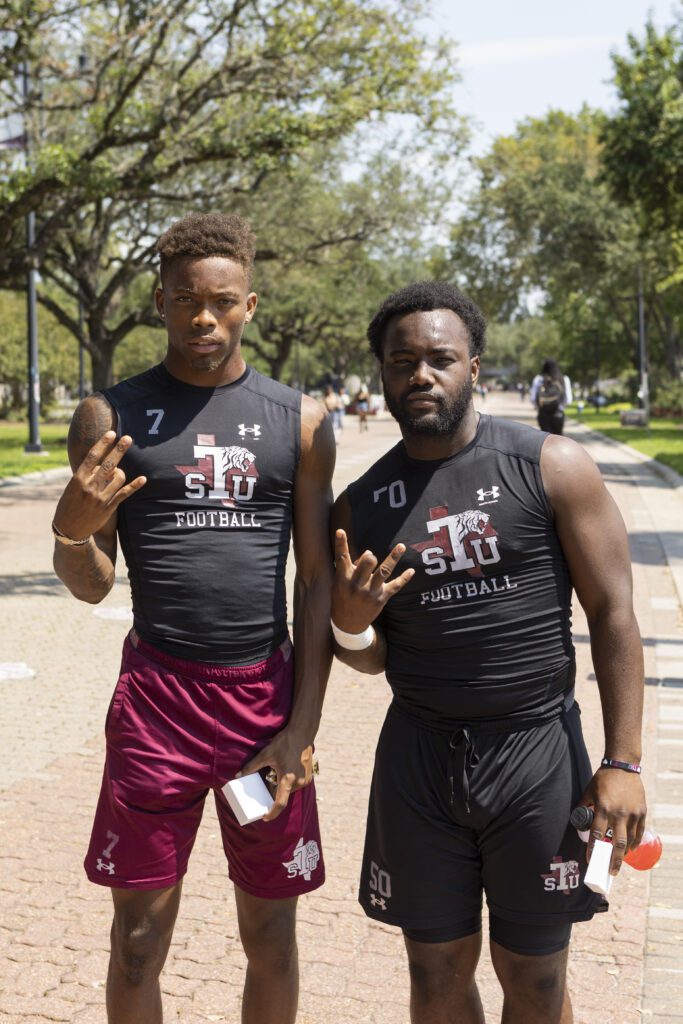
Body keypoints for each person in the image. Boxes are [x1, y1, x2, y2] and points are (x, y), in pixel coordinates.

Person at [330, 281, 646, 1024]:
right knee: (434, 976)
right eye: (401, 360)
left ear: (473, 367)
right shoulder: (362, 506)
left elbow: (613, 613)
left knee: (534, 981)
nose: (420, 374)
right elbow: (368, 656)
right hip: (419, 758)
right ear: (380, 371)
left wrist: (623, 762)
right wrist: (350, 623)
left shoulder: (552, 466)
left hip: (535, 752)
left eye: (440, 358)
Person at [52, 212, 335, 1024]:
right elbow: (92, 583)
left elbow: (314, 586)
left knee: (271, 934)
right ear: (158, 302)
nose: (201, 318)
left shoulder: (302, 422)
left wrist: (301, 728)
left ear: (250, 303)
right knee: (137, 939)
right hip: (157, 706)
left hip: (262, 708)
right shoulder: (109, 417)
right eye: (184, 301)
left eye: (219, 302)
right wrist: (72, 528)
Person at [530, 359, 573, 435]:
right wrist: (560, 407)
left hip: (543, 415)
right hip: (558, 414)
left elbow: (533, 398)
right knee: (558, 440)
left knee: (546, 441)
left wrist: (540, 408)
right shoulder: (564, 379)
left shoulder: (539, 379)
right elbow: (569, 400)